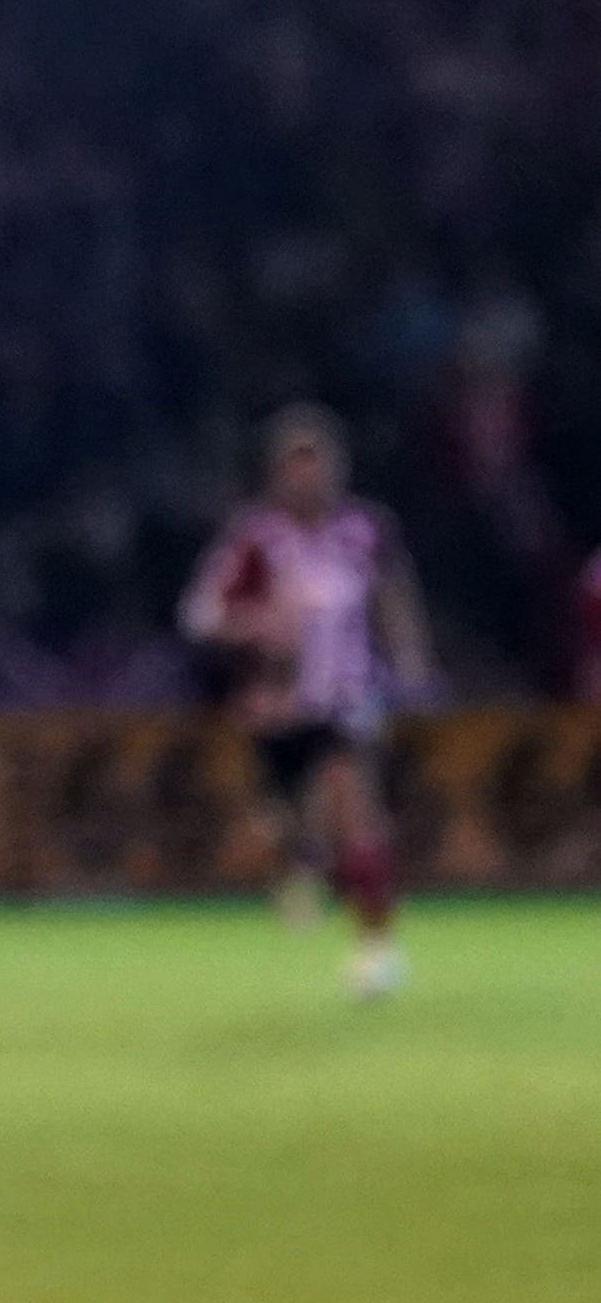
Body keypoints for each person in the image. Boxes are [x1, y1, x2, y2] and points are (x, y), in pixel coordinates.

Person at [180, 405, 436, 997]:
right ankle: (304, 861)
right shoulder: (255, 539)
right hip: (279, 707)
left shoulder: (366, 530)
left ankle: (377, 947)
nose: (306, 478)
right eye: (294, 466)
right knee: (288, 826)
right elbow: (201, 614)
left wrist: (413, 663)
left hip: (347, 699)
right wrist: (256, 625)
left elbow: (394, 596)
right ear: (275, 474)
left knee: (353, 804)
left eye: (315, 463)